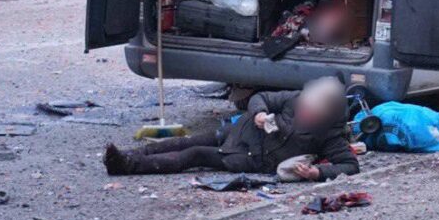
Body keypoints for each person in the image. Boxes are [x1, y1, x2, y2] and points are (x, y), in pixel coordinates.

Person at [103, 77, 358, 181]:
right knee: (186, 141)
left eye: (309, 113)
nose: (302, 112)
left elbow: (350, 166)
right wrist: (258, 113)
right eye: (303, 106)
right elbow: (263, 97)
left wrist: (317, 172)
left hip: (250, 158)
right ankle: (131, 155)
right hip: (243, 131)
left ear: (324, 115)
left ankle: (126, 167)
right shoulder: (296, 98)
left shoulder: (330, 134)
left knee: (196, 155)